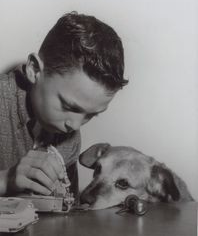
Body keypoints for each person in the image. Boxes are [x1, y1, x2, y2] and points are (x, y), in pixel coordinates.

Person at [0, 12, 128, 201]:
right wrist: (6, 180)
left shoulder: (71, 140)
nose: (75, 126)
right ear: (34, 70)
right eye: (69, 106)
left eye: (91, 115)